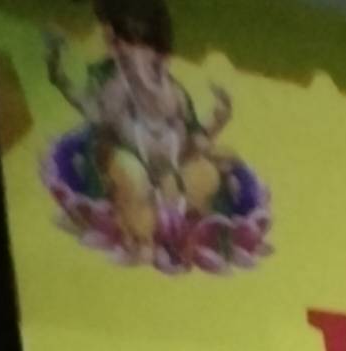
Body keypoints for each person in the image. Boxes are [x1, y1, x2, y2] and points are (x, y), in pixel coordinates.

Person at [45, 2, 235, 263]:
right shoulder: (115, 87)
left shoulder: (175, 94)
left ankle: (203, 235)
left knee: (207, 171)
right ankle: (140, 237)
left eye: (156, 54)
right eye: (127, 48)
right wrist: (59, 76)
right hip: (129, 169)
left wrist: (218, 121)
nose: (152, 64)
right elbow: (98, 119)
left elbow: (194, 141)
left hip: (168, 170)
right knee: (132, 174)